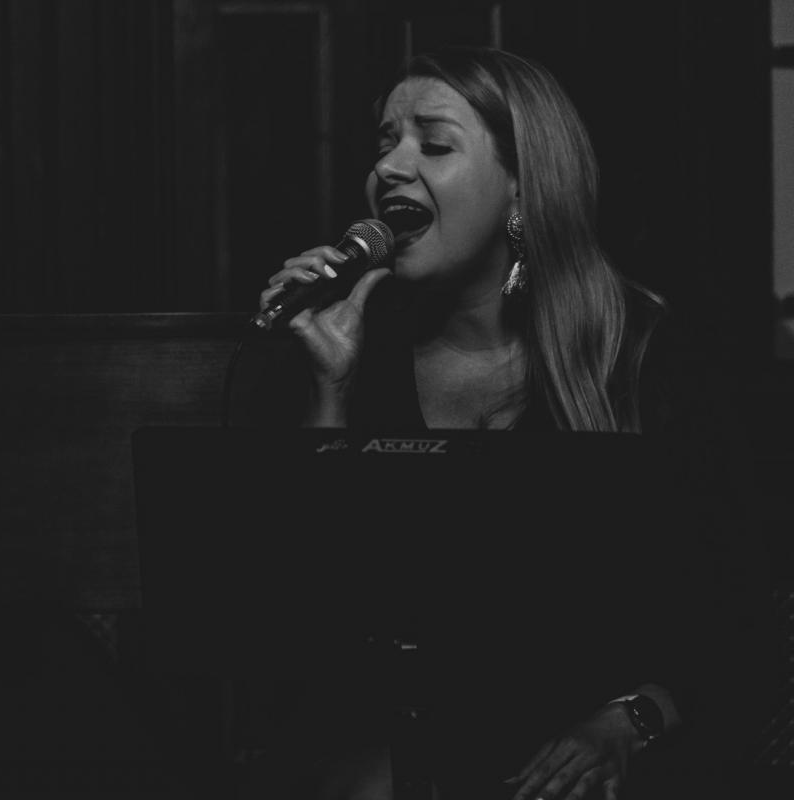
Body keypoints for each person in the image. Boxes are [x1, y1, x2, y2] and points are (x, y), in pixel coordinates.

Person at [246, 47, 777, 799]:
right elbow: (298, 615)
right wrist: (328, 392)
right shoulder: (361, 355)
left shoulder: (648, 359)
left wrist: (629, 720)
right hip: (403, 754)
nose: (390, 167)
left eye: (434, 144)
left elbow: (735, 620)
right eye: (385, 143)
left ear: (522, 185)